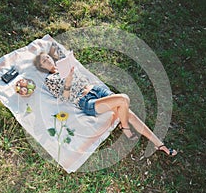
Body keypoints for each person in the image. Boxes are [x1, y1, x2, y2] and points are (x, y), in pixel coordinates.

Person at [33, 50, 177, 156]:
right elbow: (64, 98)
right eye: (44, 61)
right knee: (123, 99)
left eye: (47, 57)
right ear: (42, 67)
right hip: (86, 100)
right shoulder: (50, 80)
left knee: (129, 113)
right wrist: (69, 79)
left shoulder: (65, 64)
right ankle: (125, 128)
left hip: (98, 91)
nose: (47, 60)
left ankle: (160, 145)